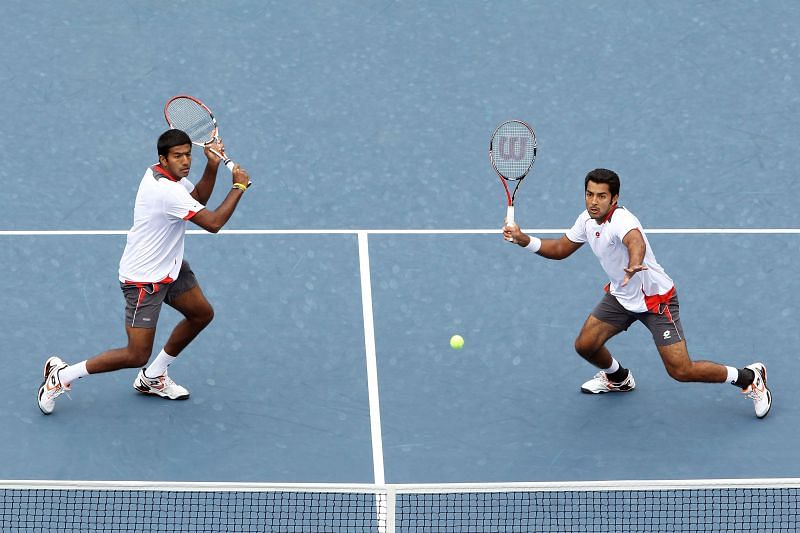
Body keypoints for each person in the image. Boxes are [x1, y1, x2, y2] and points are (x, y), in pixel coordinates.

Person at [502, 168, 771, 418]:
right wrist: (524, 240)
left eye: (601, 196)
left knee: (681, 370)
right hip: (621, 298)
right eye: (589, 194)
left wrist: (634, 263)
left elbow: (635, 240)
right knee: (585, 345)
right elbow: (560, 249)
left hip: (656, 301)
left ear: (614, 198)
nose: (593, 201)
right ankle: (618, 379)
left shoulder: (622, 220)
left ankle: (749, 377)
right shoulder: (586, 220)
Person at [37, 129, 252, 415]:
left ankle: (153, 378)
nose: (186, 161)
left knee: (201, 314)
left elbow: (197, 198)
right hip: (143, 281)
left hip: (170, 268)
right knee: (136, 354)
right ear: (163, 158)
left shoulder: (165, 176)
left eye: (188, 154)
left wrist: (212, 166)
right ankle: (61, 377)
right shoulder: (166, 190)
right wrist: (238, 187)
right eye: (178, 156)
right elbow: (212, 223)